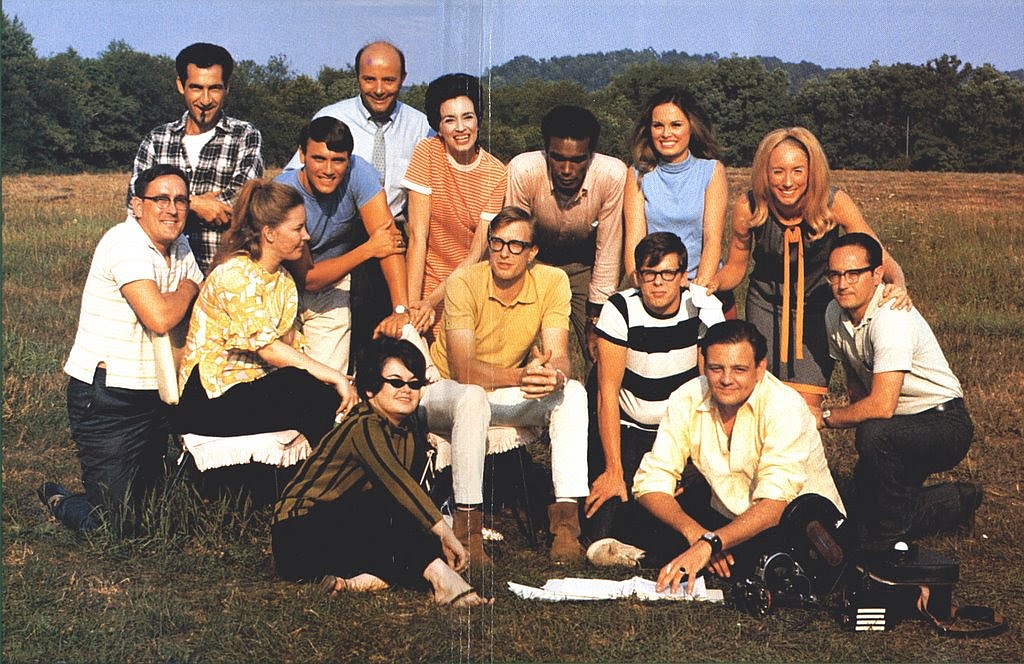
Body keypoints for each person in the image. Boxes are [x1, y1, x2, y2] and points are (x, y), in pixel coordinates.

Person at [39, 165, 204, 533]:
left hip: (155, 398)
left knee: (155, 506)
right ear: (137, 205)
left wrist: (189, 285)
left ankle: (108, 495)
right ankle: (62, 501)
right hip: (106, 398)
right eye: (160, 199)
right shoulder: (124, 243)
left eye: (180, 200)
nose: (172, 209)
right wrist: (189, 288)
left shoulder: (179, 245)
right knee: (115, 524)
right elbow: (160, 316)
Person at [272, 337, 493, 609]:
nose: (407, 390)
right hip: (298, 536)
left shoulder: (406, 428)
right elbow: (398, 484)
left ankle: (355, 583)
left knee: (409, 528)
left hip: (343, 526)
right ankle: (445, 584)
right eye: (396, 382)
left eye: (414, 384)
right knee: (388, 508)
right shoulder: (364, 426)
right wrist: (447, 533)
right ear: (370, 389)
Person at [633, 320, 844, 596]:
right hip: (726, 521)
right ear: (703, 363)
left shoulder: (785, 406)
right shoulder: (686, 397)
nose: (726, 379)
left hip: (801, 529)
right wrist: (700, 535)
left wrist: (711, 544)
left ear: (760, 368)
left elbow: (774, 505)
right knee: (641, 515)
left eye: (739, 369)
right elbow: (650, 482)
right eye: (716, 368)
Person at [709, 127, 909, 417]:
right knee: (759, 399)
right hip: (764, 304)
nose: (788, 182)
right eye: (778, 172)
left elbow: (875, 250)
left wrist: (898, 283)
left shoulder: (832, 201)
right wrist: (711, 283)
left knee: (805, 406)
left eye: (797, 171)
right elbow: (736, 268)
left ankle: (801, 462)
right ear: (765, 172)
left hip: (817, 306)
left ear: (812, 171)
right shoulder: (749, 206)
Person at [430, 206, 590, 564]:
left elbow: (558, 355)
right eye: (497, 243)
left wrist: (554, 375)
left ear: (533, 252)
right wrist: (522, 376)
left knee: (573, 394)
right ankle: (468, 532)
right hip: (446, 390)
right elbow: (463, 369)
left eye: (516, 245)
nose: (504, 253)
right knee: (471, 396)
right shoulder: (464, 282)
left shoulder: (552, 281)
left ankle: (566, 527)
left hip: (500, 390)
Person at [175, 180, 358, 471]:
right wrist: (334, 376)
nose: (307, 236)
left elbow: (289, 348)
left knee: (315, 392)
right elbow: (270, 350)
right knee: (301, 386)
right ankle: (330, 477)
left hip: (249, 390)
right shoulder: (235, 275)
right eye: (297, 228)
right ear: (269, 233)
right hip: (210, 398)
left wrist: (333, 381)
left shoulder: (283, 279)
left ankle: (332, 474)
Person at [821, 233, 980, 545]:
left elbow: (880, 407)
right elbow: (857, 387)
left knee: (874, 437)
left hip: (943, 422)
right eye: (835, 274)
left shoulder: (891, 316)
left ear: (877, 274)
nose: (843, 284)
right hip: (899, 426)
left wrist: (825, 417)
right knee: (862, 514)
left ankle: (891, 542)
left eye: (853, 274)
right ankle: (957, 500)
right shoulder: (833, 314)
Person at [281, 42, 433, 358]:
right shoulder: (331, 116)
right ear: (357, 77)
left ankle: (381, 375)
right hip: (331, 228)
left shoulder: (420, 125)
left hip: (390, 224)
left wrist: (402, 307)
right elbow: (291, 191)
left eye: (388, 80)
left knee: (378, 311)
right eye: (369, 80)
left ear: (403, 78)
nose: (378, 90)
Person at [583, 232, 722, 559]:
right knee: (601, 525)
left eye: (667, 274)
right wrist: (613, 468)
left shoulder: (700, 309)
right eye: (649, 274)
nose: (658, 283)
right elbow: (607, 393)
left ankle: (655, 546)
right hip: (629, 429)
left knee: (686, 500)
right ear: (637, 277)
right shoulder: (620, 309)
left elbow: (709, 394)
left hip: (676, 433)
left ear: (683, 277)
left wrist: (691, 460)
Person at [274, 117, 417, 371]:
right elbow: (308, 278)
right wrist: (369, 248)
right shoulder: (285, 191)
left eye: (338, 160)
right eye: (319, 159)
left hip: (332, 283)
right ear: (302, 155)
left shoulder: (358, 173)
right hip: (283, 283)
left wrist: (400, 310)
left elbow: (389, 242)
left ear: (348, 160)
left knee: (328, 379)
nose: (328, 170)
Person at [505, 104, 626, 371]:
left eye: (578, 160)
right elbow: (514, 240)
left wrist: (596, 316)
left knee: (602, 347)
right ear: (546, 151)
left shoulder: (613, 175)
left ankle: (596, 409)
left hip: (585, 263)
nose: (567, 170)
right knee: (515, 344)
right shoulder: (523, 170)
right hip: (536, 262)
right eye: (558, 158)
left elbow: (608, 247)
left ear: (591, 155)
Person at [128, 43, 264, 273]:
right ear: (181, 85)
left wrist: (167, 203)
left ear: (227, 87)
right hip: (164, 275)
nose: (205, 99)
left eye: (214, 88)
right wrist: (197, 204)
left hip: (223, 275)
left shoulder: (245, 136)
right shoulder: (157, 139)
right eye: (196, 88)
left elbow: (238, 202)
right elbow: (135, 202)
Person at [403, 73, 507, 340]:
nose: (460, 128)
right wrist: (413, 307)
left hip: (466, 282)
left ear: (479, 121)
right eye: (450, 120)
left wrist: (433, 302)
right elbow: (417, 236)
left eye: (467, 117)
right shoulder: (426, 153)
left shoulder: (497, 174)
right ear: (439, 127)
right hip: (423, 279)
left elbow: (475, 255)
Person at [623, 89, 732, 314]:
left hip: (701, 289)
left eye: (675, 125)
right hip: (654, 290)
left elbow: (712, 239)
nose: (666, 133)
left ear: (691, 127)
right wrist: (646, 287)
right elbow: (634, 239)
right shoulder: (637, 174)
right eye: (658, 126)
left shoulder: (711, 171)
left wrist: (698, 288)